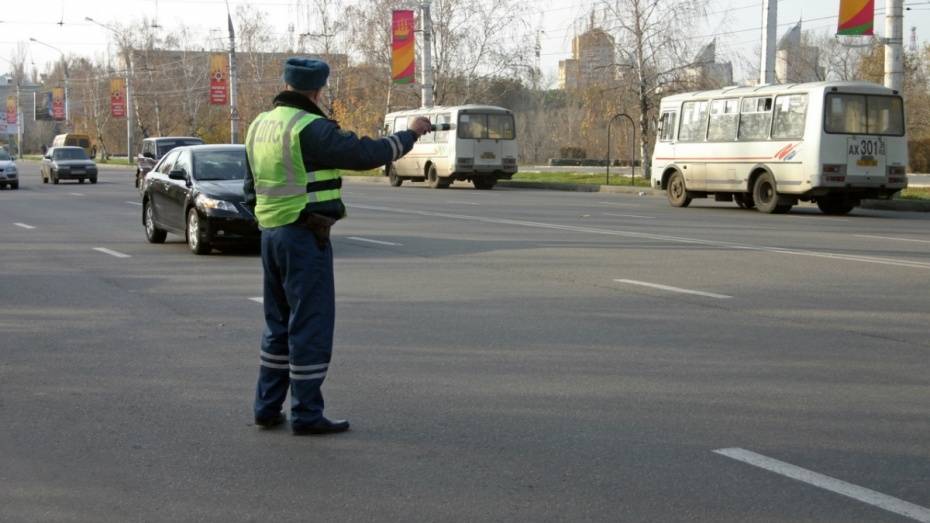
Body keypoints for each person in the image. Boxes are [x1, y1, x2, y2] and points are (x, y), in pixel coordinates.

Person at [244, 57, 431, 436]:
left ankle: (266, 407)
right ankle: (307, 413)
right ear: (317, 89)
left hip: (271, 235)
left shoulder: (259, 125)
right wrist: (411, 134)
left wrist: (268, 222)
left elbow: (250, 188)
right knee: (310, 325)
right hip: (303, 235)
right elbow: (367, 154)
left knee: (277, 325)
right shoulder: (308, 127)